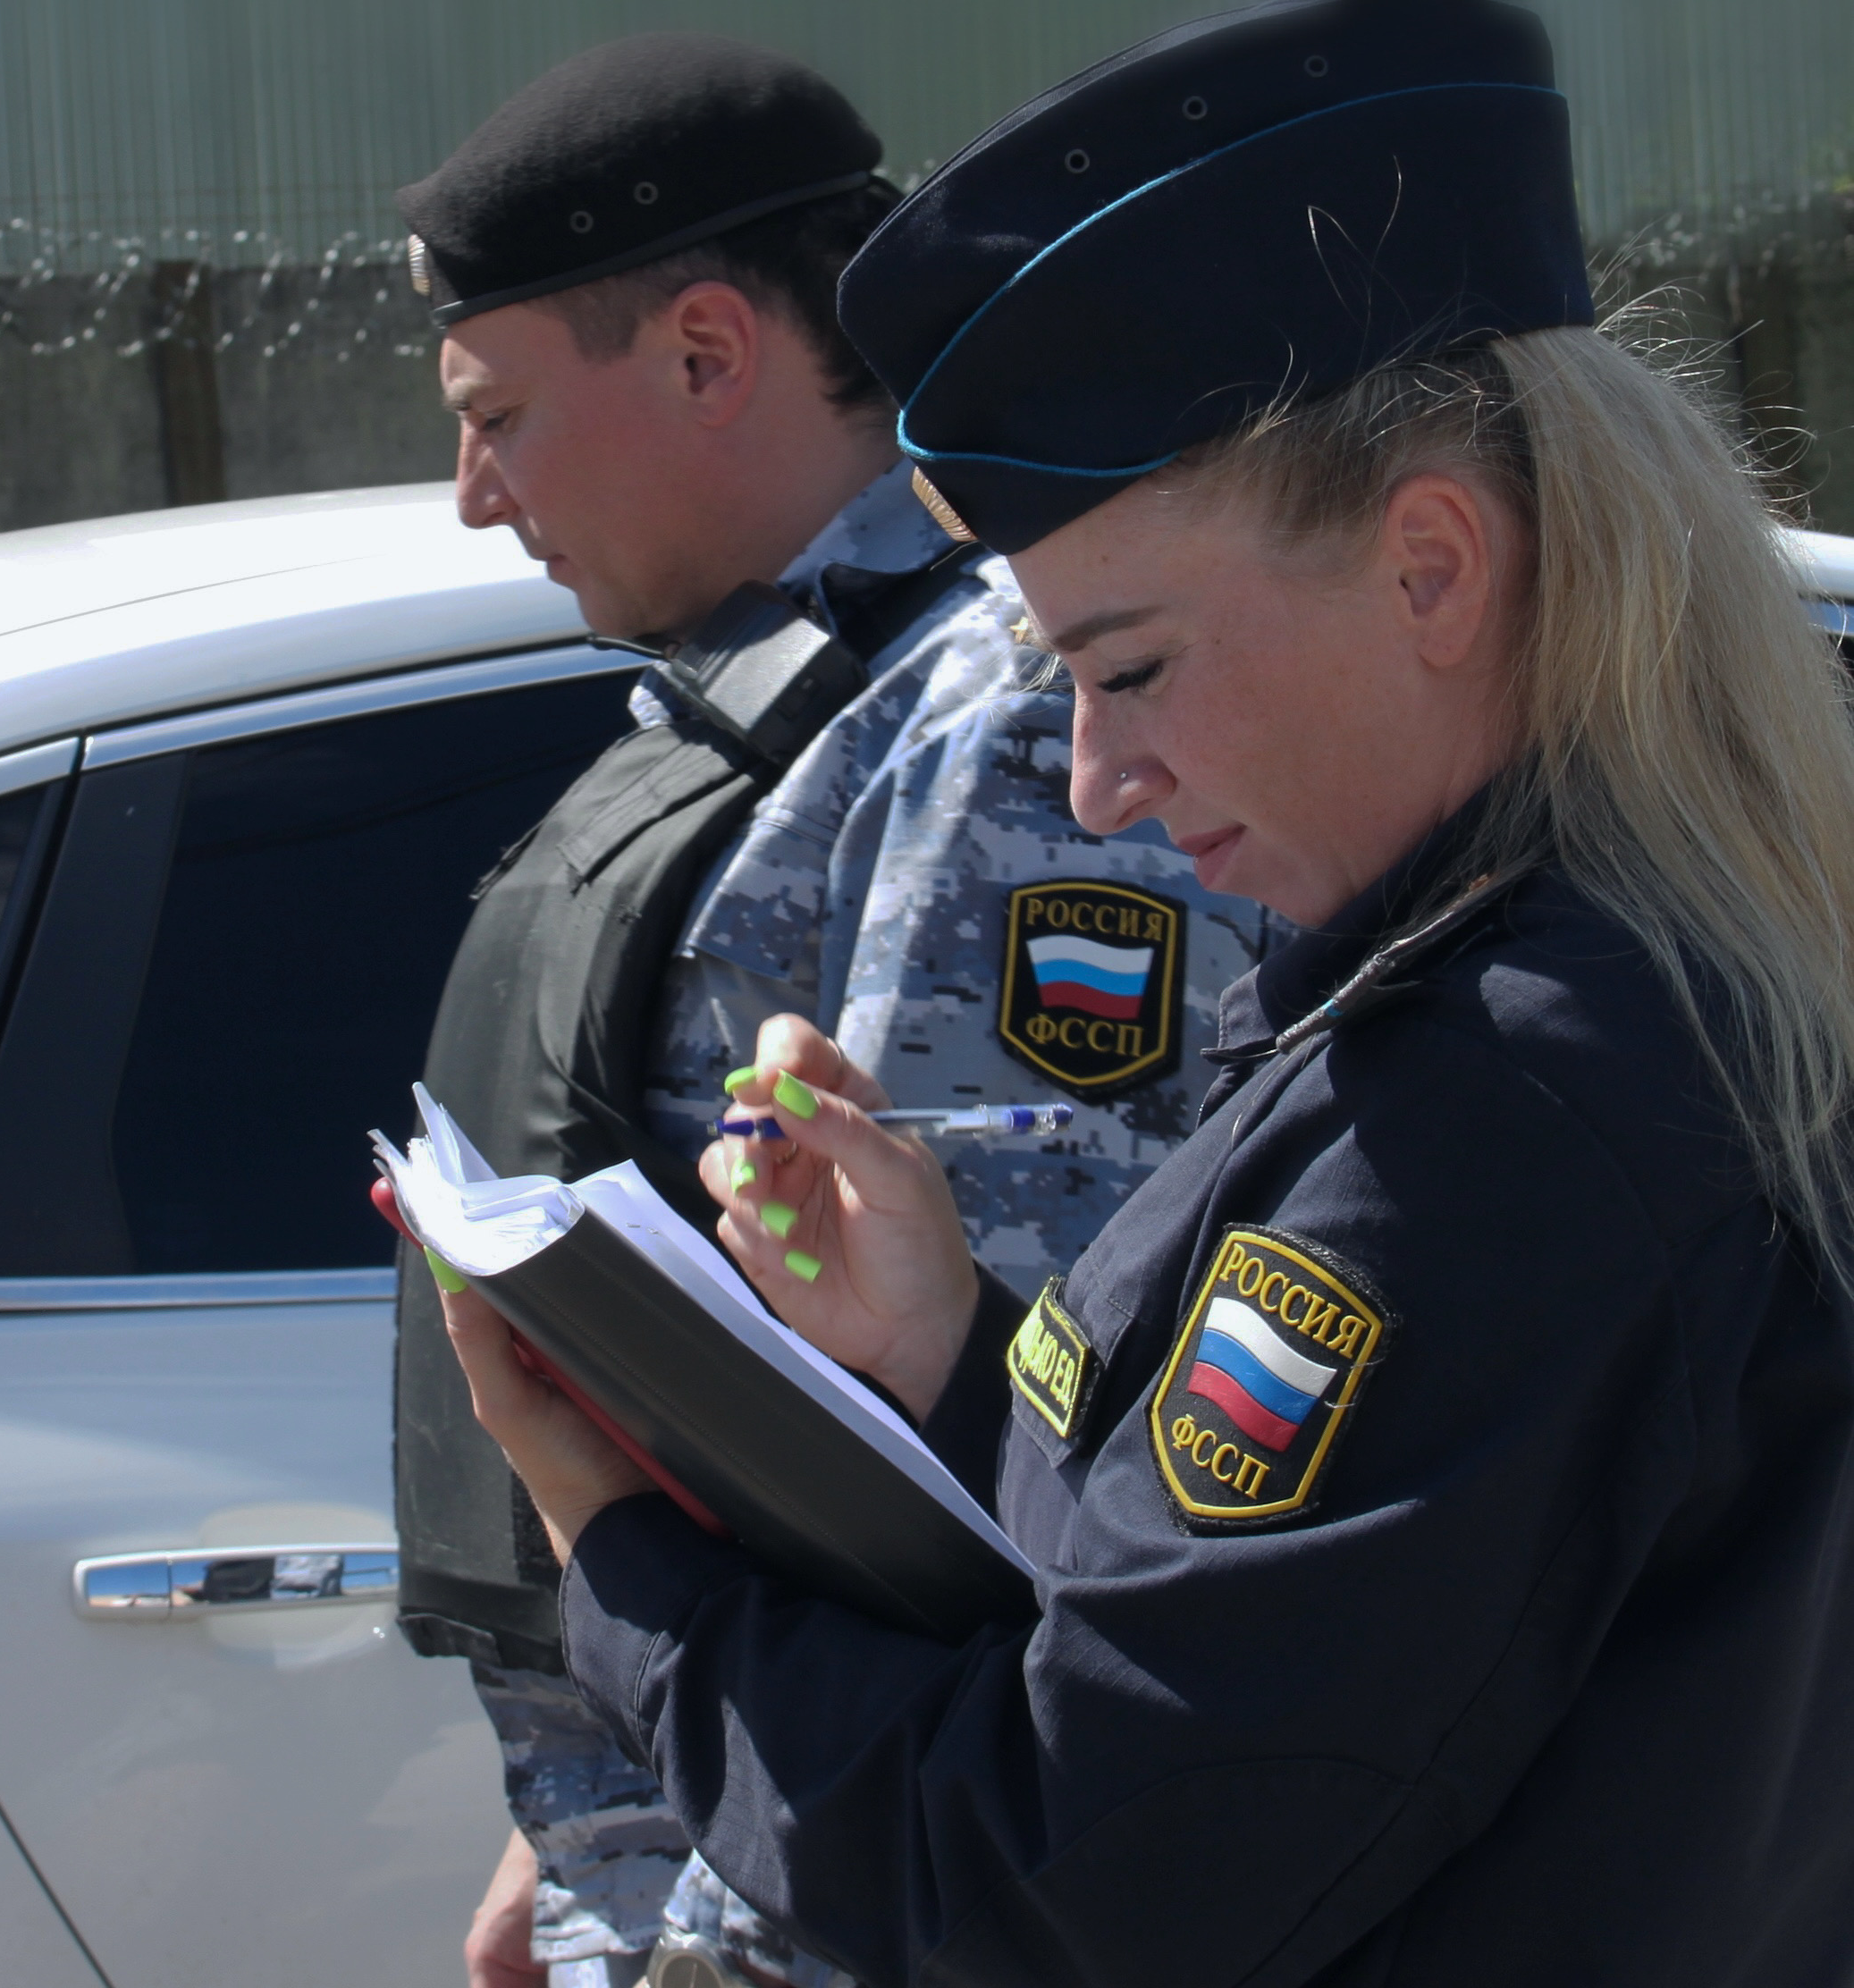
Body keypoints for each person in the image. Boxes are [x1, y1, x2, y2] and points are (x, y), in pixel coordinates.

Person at [434, 3, 1854, 1983]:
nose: (1095, 780)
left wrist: (617, 1550)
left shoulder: (1501, 1106)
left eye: (1134, 664)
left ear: (1431, 566)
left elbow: (1053, 1876)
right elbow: (1274, 1619)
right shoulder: (1601, 981)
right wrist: (947, 1347)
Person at [390, 34, 1269, 1988]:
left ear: (708, 351)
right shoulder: (803, 695)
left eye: (501, 413)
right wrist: (592, 1814)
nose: (471, 496)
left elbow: (967, 1475)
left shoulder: (1007, 720)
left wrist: (717, 1923)